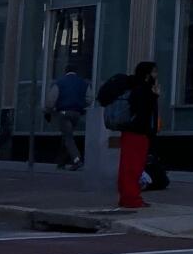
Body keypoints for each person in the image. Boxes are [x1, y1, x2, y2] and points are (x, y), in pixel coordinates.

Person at [102, 62, 160, 210]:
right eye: (154, 72)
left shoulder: (137, 88)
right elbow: (144, 112)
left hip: (133, 132)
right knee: (132, 168)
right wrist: (154, 96)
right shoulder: (142, 90)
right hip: (137, 133)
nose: (156, 75)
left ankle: (128, 197)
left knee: (131, 167)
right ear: (147, 74)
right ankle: (131, 198)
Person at [46, 62, 90, 171]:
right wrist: (82, 106)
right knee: (67, 136)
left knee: (68, 137)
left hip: (63, 113)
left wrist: (50, 110)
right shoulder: (83, 83)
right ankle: (61, 162)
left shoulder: (60, 83)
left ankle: (77, 160)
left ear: (65, 71)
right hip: (77, 113)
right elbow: (89, 98)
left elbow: (51, 100)